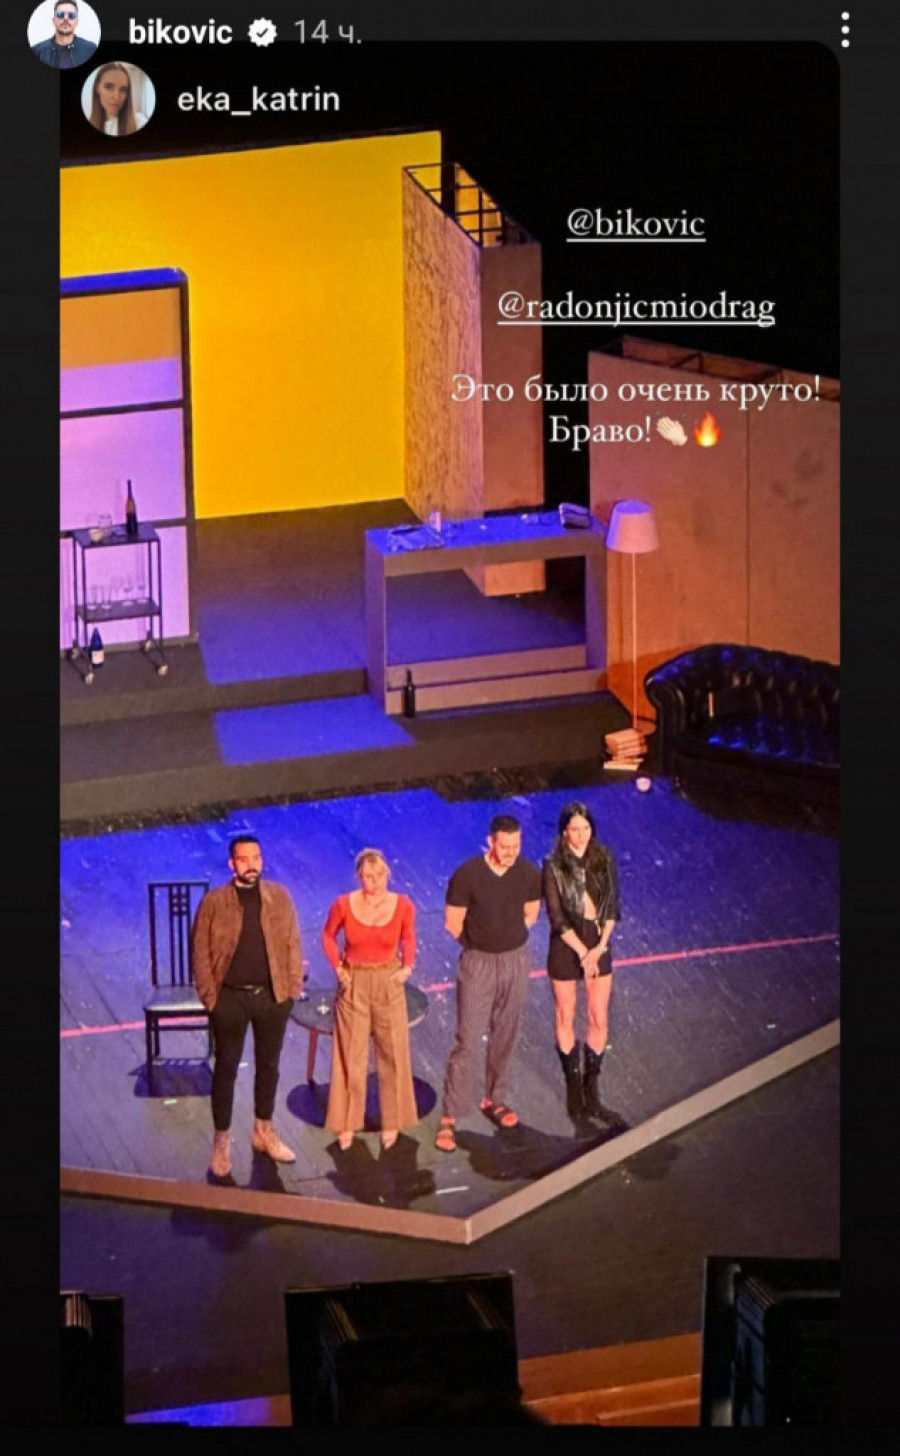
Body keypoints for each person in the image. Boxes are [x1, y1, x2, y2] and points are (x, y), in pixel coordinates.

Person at [191, 834, 303, 1178]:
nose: (251, 864)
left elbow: (293, 943)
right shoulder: (214, 902)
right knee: (226, 1068)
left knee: (269, 1066)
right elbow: (200, 951)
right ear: (232, 864)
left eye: (256, 858)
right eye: (244, 859)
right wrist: (211, 999)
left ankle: (263, 1131)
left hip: (271, 997)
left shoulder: (279, 897)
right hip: (230, 999)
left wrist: (291, 991)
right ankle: (221, 1142)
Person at [435, 814, 542, 1152]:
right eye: (504, 846)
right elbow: (453, 923)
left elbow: (531, 914)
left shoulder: (528, 874)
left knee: (505, 1033)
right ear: (491, 842)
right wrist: (480, 942)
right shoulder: (467, 875)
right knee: (468, 1039)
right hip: (478, 962)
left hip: (515, 961)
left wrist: (507, 939)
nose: (511, 853)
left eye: (516, 846)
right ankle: (450, 1116)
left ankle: (495, 1100)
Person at [322, 849, 417, 1152]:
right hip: (354, 982)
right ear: (358, 877)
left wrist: (407, 967)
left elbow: (408, 937)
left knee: (393, 1052)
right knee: (351, 1054)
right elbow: (328, 936)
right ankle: (347, 1122)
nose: (373, 882)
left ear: (387, 874)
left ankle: (392, 1121)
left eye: (378, 875)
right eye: (367, 876)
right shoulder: (343, 904)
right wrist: (338, 968)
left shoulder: (402, 905)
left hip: (388, 981)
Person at [542, 802, 620, 1119]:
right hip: (567, 945)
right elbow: (557, 918)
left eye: (586, 828)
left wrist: (598, 948)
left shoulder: (604, 859)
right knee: (566, 1015)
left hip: (597, 945)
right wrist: (582, 952)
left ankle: (592, 1088)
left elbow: (612, 908)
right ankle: (573, 1084)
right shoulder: (553, 866)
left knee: (598, 1017)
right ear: (564, 832)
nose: (581, 835)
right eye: (575, 829)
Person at [88, 62, 148, 135]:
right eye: (108, 87)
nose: (116, 97)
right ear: (97, 88)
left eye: (123, 90)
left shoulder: (139, 122)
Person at [32, 3, 97, 68]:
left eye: (71, 15)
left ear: (77, 22)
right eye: (60, 14)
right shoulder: (37, 51)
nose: (66, 18)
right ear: (54, 21)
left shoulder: (90, 50)